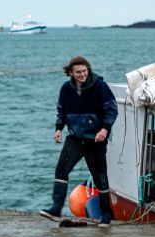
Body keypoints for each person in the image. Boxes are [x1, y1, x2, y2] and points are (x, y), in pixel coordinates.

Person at [39, 56, 118, 227]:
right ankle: (55, 208)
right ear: (71, 73)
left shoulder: (100, 87)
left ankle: (106, 214)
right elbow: (61, 110)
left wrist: (104, 129)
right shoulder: (66, 89)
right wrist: (58, 128)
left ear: (88, 69)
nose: (82, 74)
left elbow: (112, 110)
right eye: (78, 72)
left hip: (95, 139)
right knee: (61, 170)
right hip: (74, 138)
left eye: (84, 71)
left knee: (100, 178)